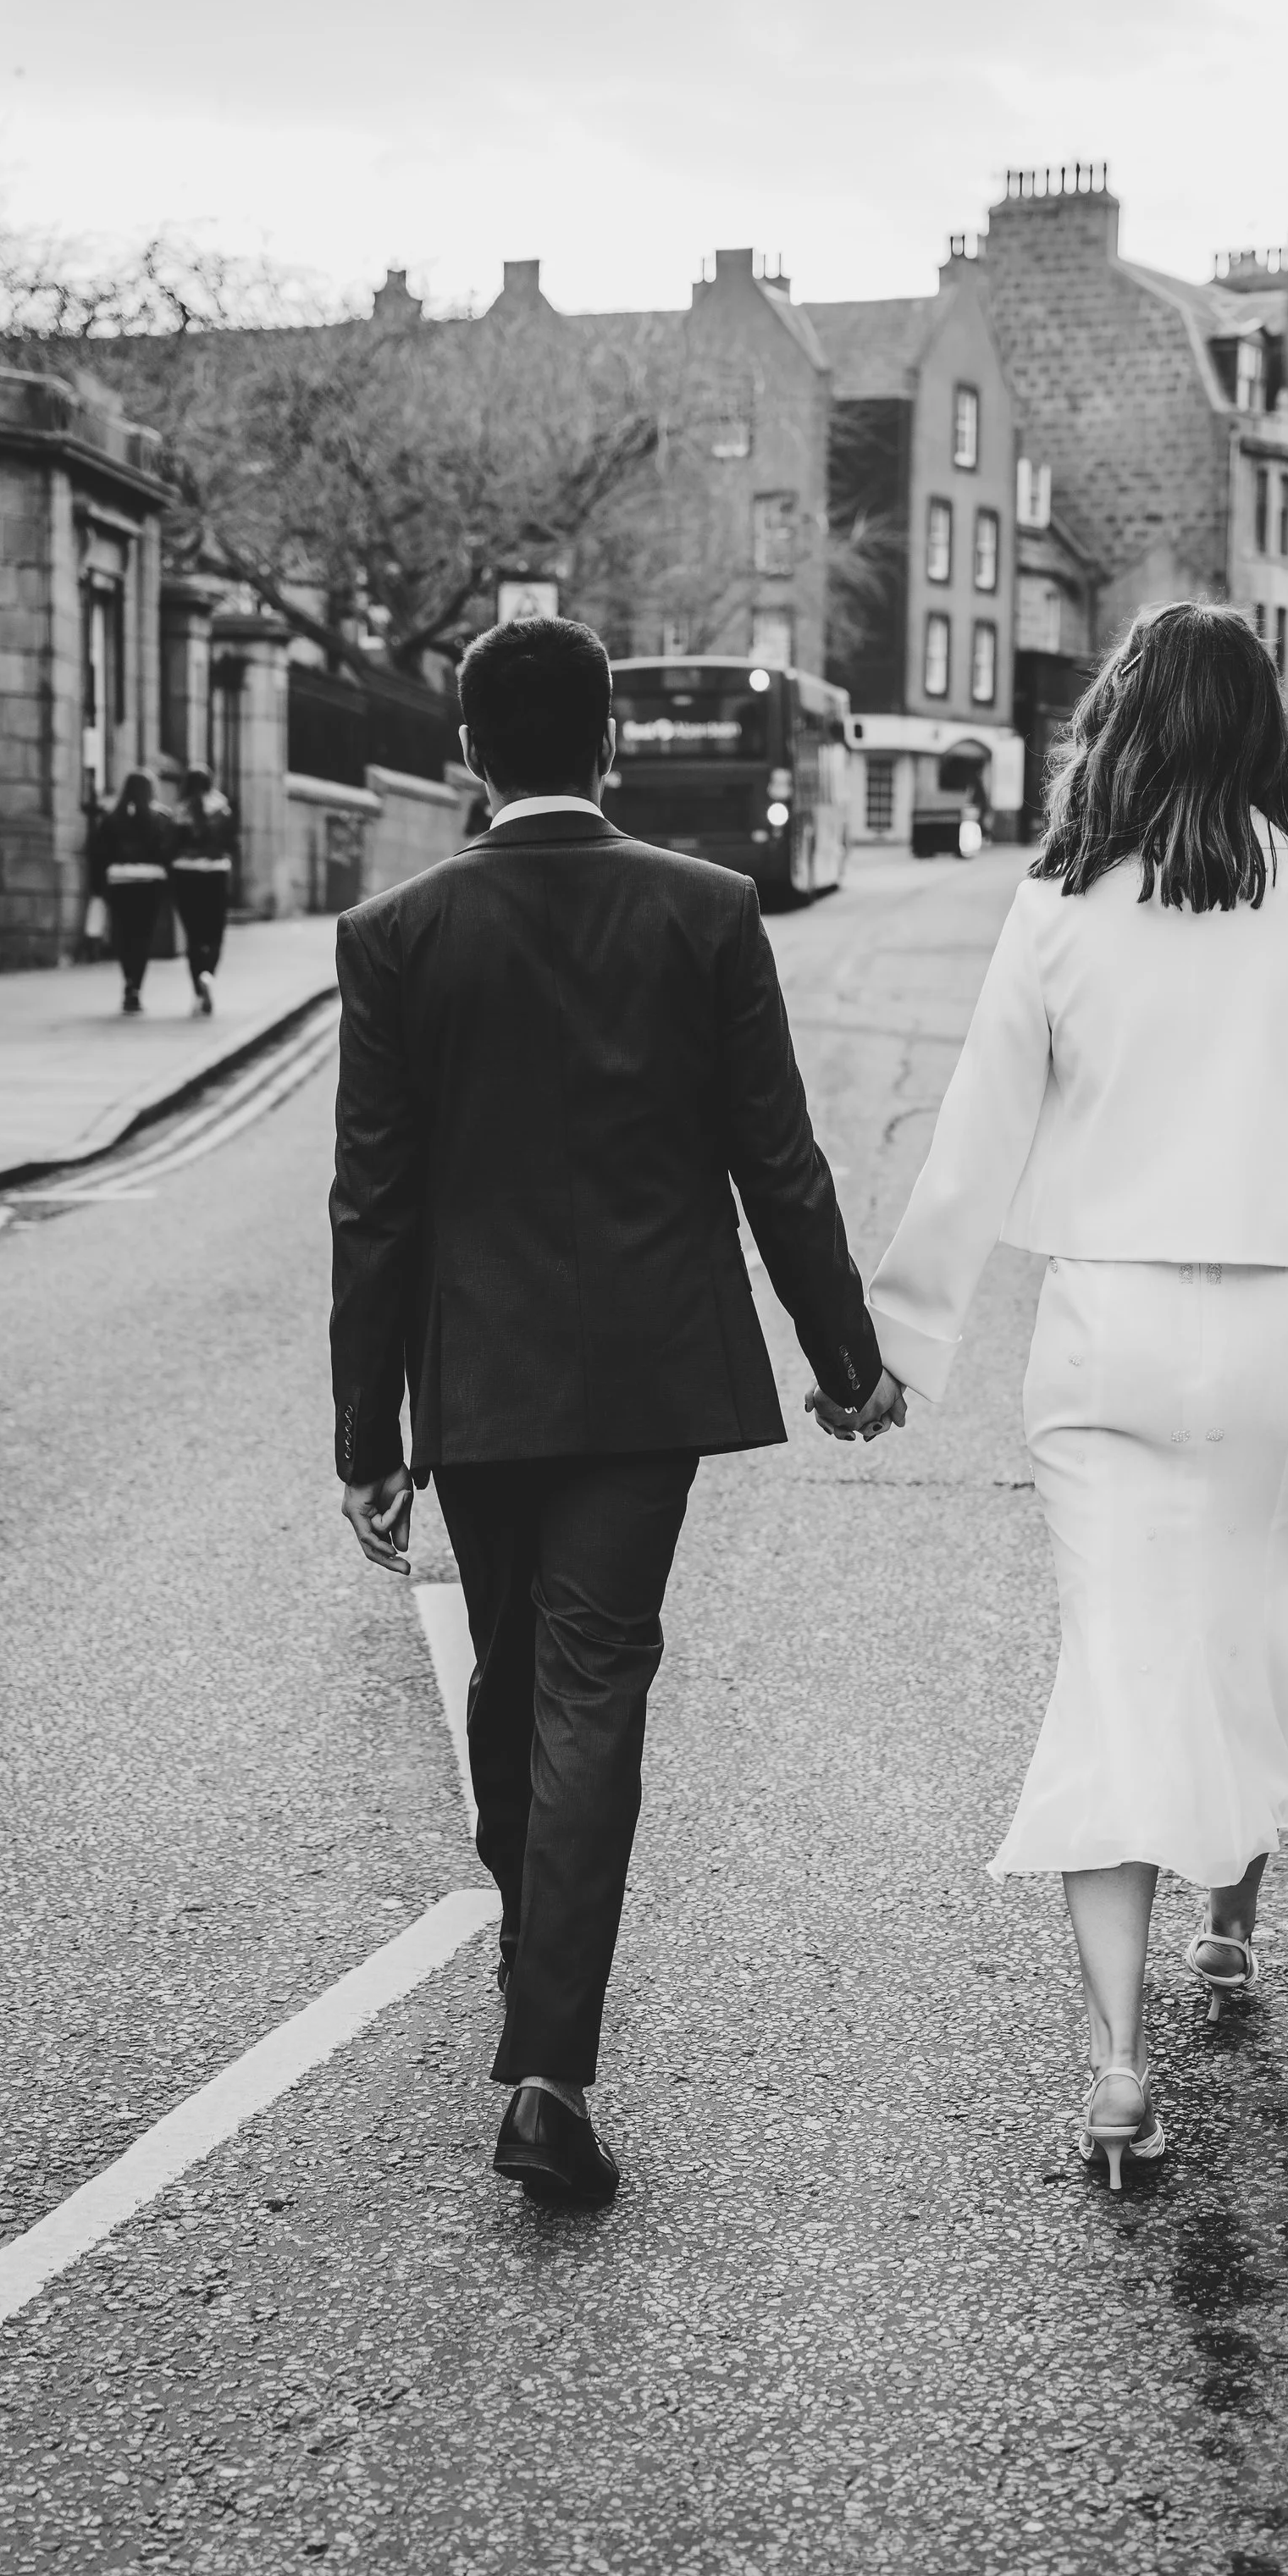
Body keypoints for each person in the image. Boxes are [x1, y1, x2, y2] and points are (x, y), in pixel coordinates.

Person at [329, 615, 900, 2214]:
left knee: (519, 1675)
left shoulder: (395, 934)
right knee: (580, 1686)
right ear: (610, 745)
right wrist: (845, 1358)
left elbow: (372, 1206)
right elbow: (776, 1158)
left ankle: (542, 2007)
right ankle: (549, 2062)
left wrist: (367, 1437)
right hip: (648, 1377)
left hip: (479, 1383)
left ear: (466, 755)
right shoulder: (704, 911)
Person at [867, 603, 1288, 2190]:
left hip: (1108, 1334)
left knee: (1123, 1664)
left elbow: (974, 1145)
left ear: (1118, 725)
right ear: (1266, 737)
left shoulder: (1054, 911)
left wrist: (894, 1348)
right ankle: (1230, 1932)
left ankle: (1119, 2064)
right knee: (1251, 1613)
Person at [89, 771, 171, 1014]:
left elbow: (99, 854)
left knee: (123, 935)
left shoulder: (112, 818)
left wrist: (98, 887)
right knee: (143, 937)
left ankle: (128, 980)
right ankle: (136, 987)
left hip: (120, 883)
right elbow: (167, 852)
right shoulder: (160, 818)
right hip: (149, 884)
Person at [169, 766, 237, 1015]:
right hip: (216, 874)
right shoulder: (223, 809)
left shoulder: (179, 811)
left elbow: (170, 846)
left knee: (194, 936)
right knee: (215, 933)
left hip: (186, 875)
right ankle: (208, 974)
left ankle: (198, 989)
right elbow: (232, 844)